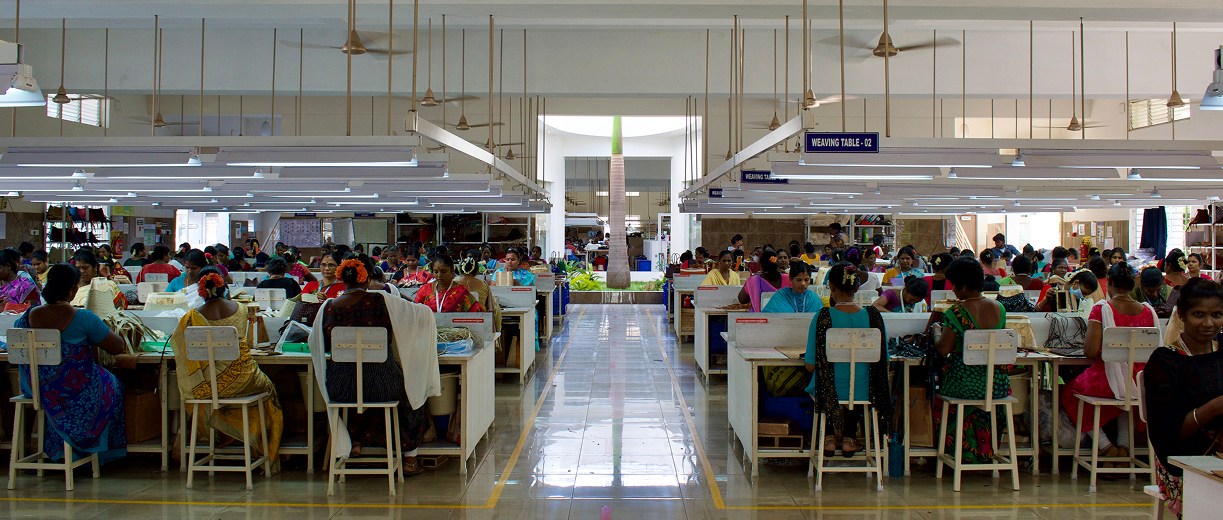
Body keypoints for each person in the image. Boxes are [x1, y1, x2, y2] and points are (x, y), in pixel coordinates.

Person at [309, 256, 439, 476]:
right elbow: (422, 314)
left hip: (341, 387)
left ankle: (355, 441)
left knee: (357, 397)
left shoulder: (327, 308)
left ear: (341, 278)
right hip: (383, 384)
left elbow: (316, 343)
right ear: (368, 277)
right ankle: (410, 460)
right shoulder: (382, 301)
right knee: (412, 395)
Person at [168, 267, 283, 472]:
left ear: (200, 291)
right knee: (268, 389)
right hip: (244, 380)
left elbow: (179, 346)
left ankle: (229, 433)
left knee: (220, 399)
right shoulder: (241, 309)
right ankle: (257, 444)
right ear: (224, 287)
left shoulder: (192, 317)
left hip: (208, 386)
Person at [12, 263, 127, 465]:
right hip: (73, 390)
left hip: (37, 389)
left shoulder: (26, 318)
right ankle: (91, 450)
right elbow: (118, 347)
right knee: (113, 384)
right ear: (73, 289)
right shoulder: (83, 317)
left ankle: (58, 447)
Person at [1060, 262, 1154, 466]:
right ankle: (1124, 447)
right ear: (1134, 284)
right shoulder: (1148, 311)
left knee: (1069, 392)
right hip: (1139, 382)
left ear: (1109, 282)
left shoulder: (1102, 309)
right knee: (1125, 398)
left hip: (1108, 382)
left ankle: (1106, 446)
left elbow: (1091, 351)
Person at [1144, 277, 1223, 518]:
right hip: (1182, 463)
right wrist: (1215, 407)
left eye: (1217, 315)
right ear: (1181, 314)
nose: (1208, 323)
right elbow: (1167, 433)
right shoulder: (1164, 361)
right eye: (1198, 314)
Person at [927, 257, 1009, 464]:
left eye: (954, 285)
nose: (953, 289)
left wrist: (936, 332)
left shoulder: (956, 312)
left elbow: (943, 349)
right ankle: (983, 451)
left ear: (964, 286)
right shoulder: (1000, 309)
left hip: (964, 385)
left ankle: (958, 452)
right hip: (996, 385)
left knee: (935, 394)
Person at [804, 262, 891, 458]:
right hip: (865, 390)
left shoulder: (823, 317)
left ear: (831, 286)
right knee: (856, 383)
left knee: (818, 380)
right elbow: (883, 361)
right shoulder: (873, 316)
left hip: (830, 391)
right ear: (857, 287)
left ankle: (828, 437)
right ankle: (849, 439)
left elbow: (810, 366)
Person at [414, 255, 485, 313]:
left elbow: (476, 314)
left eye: (444, 272)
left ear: (452, 271)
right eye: (436, 272)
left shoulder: (461, 292)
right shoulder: (425, 289)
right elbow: (416, 311)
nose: (439, 275)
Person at [456, 253, 501, 337]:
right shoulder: (484, 284)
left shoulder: (453, 284)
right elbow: (492, 306)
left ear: (460, 271)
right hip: (481, 325)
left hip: (457, 326)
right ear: (476, 272)